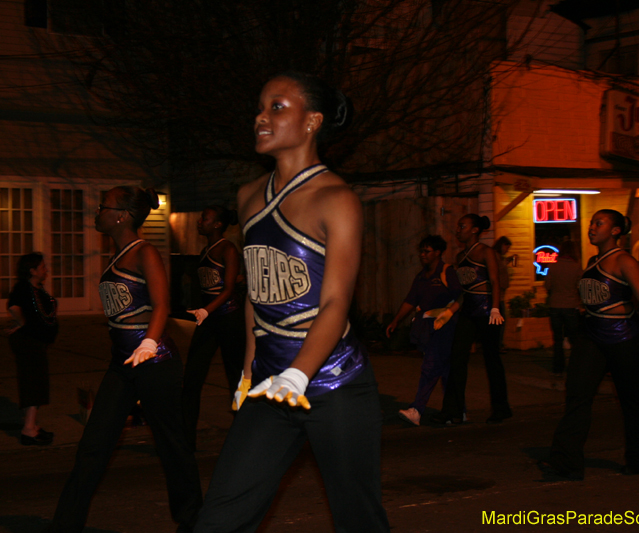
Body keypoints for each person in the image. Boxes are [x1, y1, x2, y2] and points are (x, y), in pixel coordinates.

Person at [194, 72, 390, 532]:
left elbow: (336, 302)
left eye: (277, 107)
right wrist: (247, 371)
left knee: (358, 519)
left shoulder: (336, 198)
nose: (261, 117)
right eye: (260, 108)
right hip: (269, 388)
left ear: (312, 121)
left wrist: (298, 375)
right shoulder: (246, 198)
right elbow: (256, 294)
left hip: (333, 385)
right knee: (218, 519)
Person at [50, 186, 202, 533]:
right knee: (93, 446)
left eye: (104, 206)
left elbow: (163, 304)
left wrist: (149, 342)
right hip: (121, 364)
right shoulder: (118, 255)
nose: (97, 211)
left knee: (171, 444)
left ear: (122, 216)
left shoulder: (144, 252)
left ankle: (193, 520)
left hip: (154, 361)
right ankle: (64, 525)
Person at [540, 209, 639, 481]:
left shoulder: (624, 260)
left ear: (616, 231)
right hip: (592, 337)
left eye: (599, 223)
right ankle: (567, 463)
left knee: (632, 400)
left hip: (624, 338)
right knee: (577, 396)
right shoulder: (593, 260)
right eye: (592, 222)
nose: (592, 227)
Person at [432, 214, 512, 425]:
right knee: (457, 357)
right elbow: (464, 291)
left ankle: (501, 407)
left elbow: (495, 281)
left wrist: (495, 309)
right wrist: (449, 311)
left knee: (492, 359)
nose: (458, 230)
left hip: (487, 310)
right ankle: (453, 410)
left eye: (462, 226)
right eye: (458, 226)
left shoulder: (486, 252)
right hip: (468, 310)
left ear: (475, 230)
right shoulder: (460, 257)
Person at [181, 205, 246, 452]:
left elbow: (228, 289)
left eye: (204, 218)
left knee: (235, 378)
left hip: (229, 319)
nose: (200, 221)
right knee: (192, 378)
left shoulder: (228, 249)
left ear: (218, 224)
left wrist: (206, 310)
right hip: (208, 320)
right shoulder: (205, 250)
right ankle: (186, 439)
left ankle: (244, 434)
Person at [386, 235, 462, 426]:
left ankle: (417, 410)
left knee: (430, 366)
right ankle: (457, 411)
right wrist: (395, 320)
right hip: (427, 327)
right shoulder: (421, 276)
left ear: (437, 253)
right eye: (421, 251)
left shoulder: (447, 272)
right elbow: (411, 300)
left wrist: (448, 314)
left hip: (444, 327)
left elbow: (462, 297)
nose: (422, 255)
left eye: (426, 251)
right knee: (444, 370)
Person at [6, 252, 58, 446]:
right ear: (32, 270)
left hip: (37, 341)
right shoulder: (23, 288)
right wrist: (22, 323)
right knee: (33, 382)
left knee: (37, 382)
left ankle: (32, 425)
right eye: (43, 267)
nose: (46, 270)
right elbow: (13, 307)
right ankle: (28, 430)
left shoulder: (37, 288)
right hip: (28, 342)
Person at [544, 241, 582, 375]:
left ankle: (558, 366)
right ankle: (575, 365)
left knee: (557, 338)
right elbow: (580, 286)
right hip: (571, 305)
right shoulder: (576, 267)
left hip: (555, 305)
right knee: (574, 338)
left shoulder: (553, 266)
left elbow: (547, 285)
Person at [493, 236, 515, 350]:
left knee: (500, 321)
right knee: (500, 321)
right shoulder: (495, 257)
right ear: (502, 245)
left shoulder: (499, 258)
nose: (507, 250)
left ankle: (498, 344)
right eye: (506, 247)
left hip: (501, 294)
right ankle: (497, 345)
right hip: (497, 295)